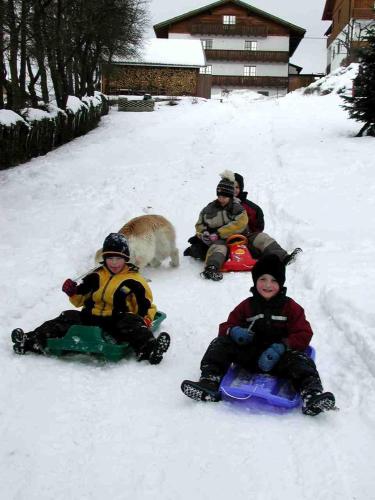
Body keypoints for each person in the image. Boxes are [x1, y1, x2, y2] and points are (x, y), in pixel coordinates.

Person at [181, 254, 336, 416]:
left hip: (281, 359)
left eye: (274, 280)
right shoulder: (247, 306)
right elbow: (226, 327)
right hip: (251, 355)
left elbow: (304, 332)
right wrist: (234, 331)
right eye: (263, 279)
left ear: (281, 283)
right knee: (220, 344)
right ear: (255, 280)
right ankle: (209, 382)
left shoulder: (290, 307)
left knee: (301, 360)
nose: (268, 285)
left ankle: (311, 395)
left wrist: (282, 347)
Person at [11, 233, 170, 365]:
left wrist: (145, 320)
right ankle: (31, 340)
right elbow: (80, 299)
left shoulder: (135, 281)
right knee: (67, 316)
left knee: (131, 323)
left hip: (116, 320)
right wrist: (72, 292)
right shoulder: (95, 276)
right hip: (90, 317)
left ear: (126, 259)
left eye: (118, 258)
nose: (114, 263)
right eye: (110, 258)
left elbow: (146, 305)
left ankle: (150, 349)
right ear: (104, 258)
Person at [183, 170, 249, 281]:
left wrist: (219, 233)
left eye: (224, 197)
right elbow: (199, 224)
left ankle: (280, 256)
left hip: (239, 238)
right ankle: (211, 268)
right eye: (219, 196)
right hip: (219, 241)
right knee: (218, 247)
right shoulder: (209, 209)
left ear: (230, 196)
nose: (221, 199)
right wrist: (204, 233)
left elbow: (240, 223)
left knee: (261, 238)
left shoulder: (237, 208)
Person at [234, 172, 301, 265]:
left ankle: (283, 257)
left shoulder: (248, 206)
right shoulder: (218, 205)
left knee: (263, 238)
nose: (234, 190)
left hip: (246, 237)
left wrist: (253, 231)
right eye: (231, 187)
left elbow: (258, 225)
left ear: (241, 188)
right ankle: (213, 266)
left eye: (237, 187)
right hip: (225, 239)